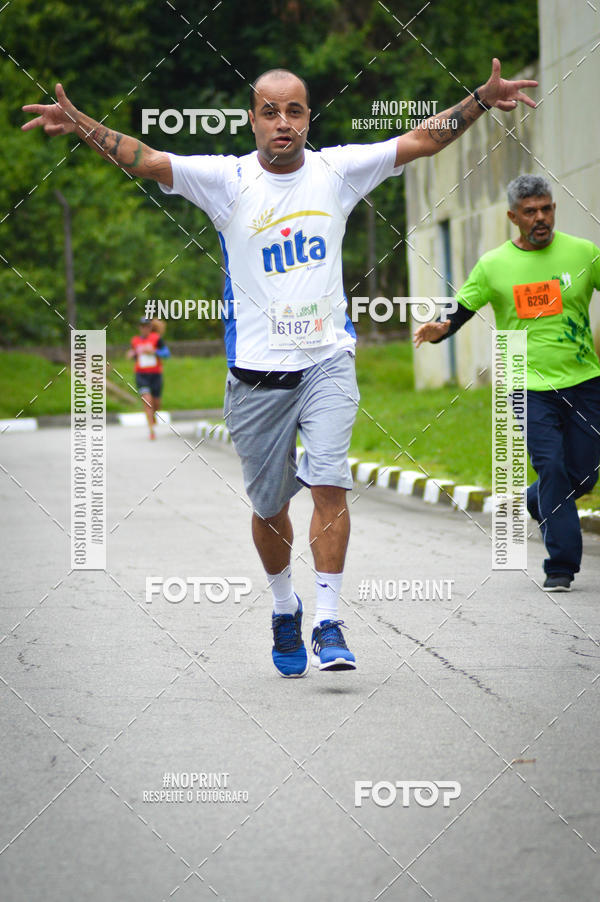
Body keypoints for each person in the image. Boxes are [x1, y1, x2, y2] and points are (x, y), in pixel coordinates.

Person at [22, 61, 536, 674]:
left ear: (308, 117)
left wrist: (480, 98)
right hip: (257, 376)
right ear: (253, 119)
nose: (283, 122)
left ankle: (329, 622)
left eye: (294, 111)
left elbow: (423, 139)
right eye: (270, 111)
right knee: (269, 509)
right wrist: (81, 125)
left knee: (329, 485)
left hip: (328, 361)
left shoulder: (336, 170)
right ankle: (284, 607)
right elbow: (148, 160)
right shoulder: (225, 181)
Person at [414, 174, 600, 593]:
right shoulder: (494, 265)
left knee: (584, 475)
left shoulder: (584, 253)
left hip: (585, 379)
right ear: (513, 216)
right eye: (530, 212)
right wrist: (439, 328)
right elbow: (460, 309)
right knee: (551, 465)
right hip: (526, 382)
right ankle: (562, 565)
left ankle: (537, 501)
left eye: (547, 208)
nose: (541, 218)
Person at [126, 316, 170, 440]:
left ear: (150, 327)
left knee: (156, 404)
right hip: (141, 375)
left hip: (155, 375)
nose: (144, 329)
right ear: (139, 328)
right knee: (147, 401)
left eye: (147, 326)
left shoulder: (156, 339)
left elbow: (166, 354)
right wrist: (131, 354)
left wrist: (154, 352)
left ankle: (153, 416)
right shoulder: (135, 341)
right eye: (142, 326)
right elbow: (133, 354)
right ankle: (151, 430)